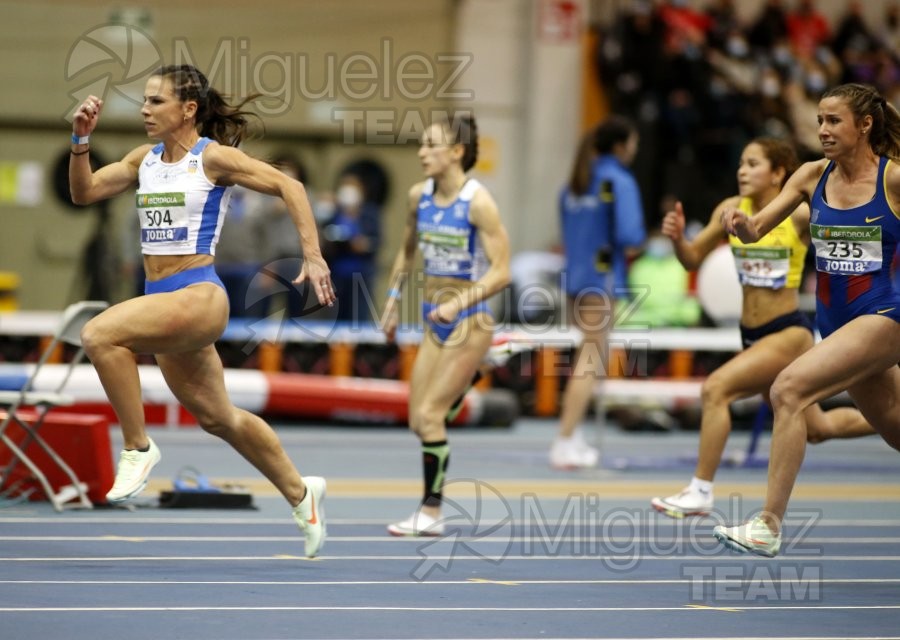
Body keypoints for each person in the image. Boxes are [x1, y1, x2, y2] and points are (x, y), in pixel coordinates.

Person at [68, 64, 334, 558]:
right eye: (144, 101)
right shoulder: (142, 160)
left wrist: (312, 255)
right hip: (162, 299)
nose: (145, 109)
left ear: (187, 109)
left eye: (156, 101)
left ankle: (137, 447)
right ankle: (302, 494)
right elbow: (83, 193)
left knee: (100, 335)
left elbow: (291, 188)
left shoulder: (211, 158)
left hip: (199, 295)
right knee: (218, 418)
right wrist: (80, 141)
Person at [715, 83, 900, 557]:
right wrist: (741, 224)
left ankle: (768, 524)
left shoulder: (892, 181)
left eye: (834, 121)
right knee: (895, 429)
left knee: (788, 389)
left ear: (865, 125)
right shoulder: (809, 177)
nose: (823, 130)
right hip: (836, 323)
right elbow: (757, 230)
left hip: (885, 315)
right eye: (819, 120)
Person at [650, 137, 875, 519]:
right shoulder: (730, 209)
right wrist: (677, 240)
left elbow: (847, 234)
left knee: (716, 389)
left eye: (753, 164)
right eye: (740, 163)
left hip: (786, 333)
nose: (742, 170)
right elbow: (690, 261)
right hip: (751, 335)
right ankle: (890, 421)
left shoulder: (799, 216)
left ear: (778, 174)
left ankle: (700, 490)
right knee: (817, 428)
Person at [379, 113, 511, 536]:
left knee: (433, 417)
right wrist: (393, 301)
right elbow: (406, 251)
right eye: (421, 144)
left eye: (431, 145)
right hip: (431, 318)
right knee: (419, 420)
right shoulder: (418, 197)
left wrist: (460, 304)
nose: (421, 152)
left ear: (456, 152)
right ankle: (481, 371)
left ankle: (431, 513)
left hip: (469, 319)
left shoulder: (478, 203)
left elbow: (502, 271)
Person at [551, 116, 646, 469]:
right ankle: (563, 439)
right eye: (633, 144)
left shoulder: (574, 182)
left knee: (585, 359)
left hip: (574, 280)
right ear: (621, 146)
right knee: (589, 362)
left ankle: (573, 436)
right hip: (601, 280)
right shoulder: (618, 180)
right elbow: (630, 234)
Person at [321, 170, 382, 323]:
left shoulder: (370, 213)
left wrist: (363, 244)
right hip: (336, 276)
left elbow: (376, 242)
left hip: (360, 277)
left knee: (358, 318)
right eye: (345, 185)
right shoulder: (333, 212)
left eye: (353, 186)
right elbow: (323, 236)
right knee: (335, 318)